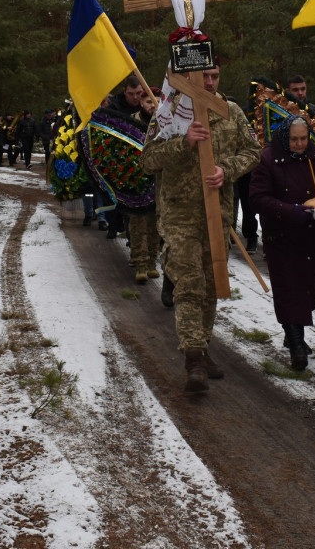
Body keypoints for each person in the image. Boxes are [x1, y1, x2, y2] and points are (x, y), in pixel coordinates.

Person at [141, 65, 261, 392]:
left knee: (211, 282)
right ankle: (193, 356)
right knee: (190, 281)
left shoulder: (231, 112)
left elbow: (253, 151)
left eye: (215, 76)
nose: (209, 82)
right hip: (179, 213)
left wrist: (227, 169)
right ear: (188, 76)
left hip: (216, 212)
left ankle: (202, 347)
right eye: (203, 75)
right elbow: (148, 160)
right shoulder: (169, 114)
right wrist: (184, 142)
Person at [250, 115, 315, 370]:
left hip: (313, 236)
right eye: (294, 139)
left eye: (304, 138)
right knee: (288, 289)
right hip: (281, 236)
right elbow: (258, 198)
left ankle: (292, 332)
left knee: (307, 288)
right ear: (285, 137)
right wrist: (288, 210)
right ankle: (296, 345)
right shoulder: (269, 159)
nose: (299, 144)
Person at [108, 76, 159, 283]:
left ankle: (152, 261)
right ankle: (139, 262)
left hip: (158, 180)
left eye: (155, 102)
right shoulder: (132, 122)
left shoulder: (164, 124)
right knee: (137, 222)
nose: (151, 106)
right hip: (136, 178)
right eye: (148, 101)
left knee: (155, 223)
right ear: (141, 102)